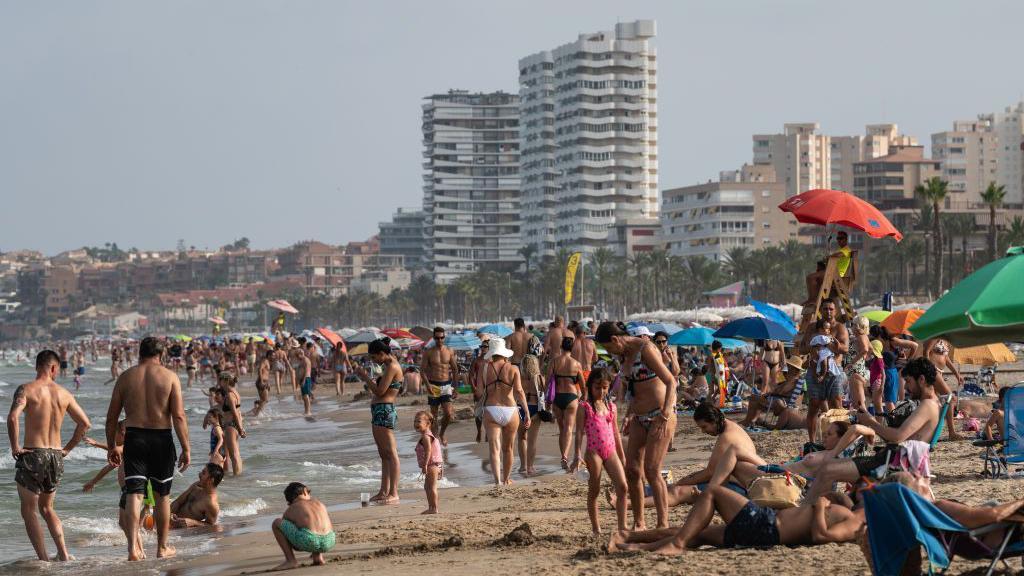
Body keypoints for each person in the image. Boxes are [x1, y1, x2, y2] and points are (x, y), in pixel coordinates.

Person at [804, 357, 942, 501]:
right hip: (892, 458)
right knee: (830, 470)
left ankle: (804, 514)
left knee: (827, 470)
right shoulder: (931, 404)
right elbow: (896, 438)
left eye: (908, 381)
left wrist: (870, 421)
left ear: (921, 379)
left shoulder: (928, 405)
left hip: (892, 463)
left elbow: (897, 437)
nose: (906, 387)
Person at [105, 336, 190, 560]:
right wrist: (186, 448)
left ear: (139, 354)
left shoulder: (125, 377)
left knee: (134, 494)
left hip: (134, 438)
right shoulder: (170, 377)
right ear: (160, 355)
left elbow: (112, 417)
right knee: (162, 496)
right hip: (161, 438)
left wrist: (112, 446)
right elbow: (179, 416)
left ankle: (133, 549)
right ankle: (162, 548)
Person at [608, 484, 863, 555]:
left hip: (766, 526)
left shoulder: (849, 518)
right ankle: (633, 542)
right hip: (764, 531)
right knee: (697, 532)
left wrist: (819, 507)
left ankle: (675, 544)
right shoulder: (846, 512)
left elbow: (821, 537)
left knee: (713, 492)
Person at [7, 349, 91, 562]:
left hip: (33, 454)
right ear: (54, 368)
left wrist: (16, 447)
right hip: (55, 456)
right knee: (47, 508)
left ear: (37, 366)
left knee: (28, 510)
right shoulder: (64, 393)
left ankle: (44, 559)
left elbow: (13, 418)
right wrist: (68, 449)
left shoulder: (26, 389)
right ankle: (63, 554)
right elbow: (85, 423)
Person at [595, 321, 677, 530]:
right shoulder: (623, 355)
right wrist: (629, 415)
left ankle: (662, 523)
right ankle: (639, 522)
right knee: (632, 470)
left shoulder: (646, 349)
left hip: (660, 415)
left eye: (609, 348)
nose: (610, 352)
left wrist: (665, 414)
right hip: (639, 417)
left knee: (652, 470)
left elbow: (670, 382)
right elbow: (635, 389)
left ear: (615, 339)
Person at [569, 368, 628, 534]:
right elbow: (579, 432)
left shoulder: (611, 406)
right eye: (597, 387)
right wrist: (577, 454)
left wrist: (622, 456)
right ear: (590, 386)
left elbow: (616, 432)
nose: (601, 391)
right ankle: (596, 528)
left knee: (622, 487)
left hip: (611, 451)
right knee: (594, 489)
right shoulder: (585, 407)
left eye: (604, 387)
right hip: (593, 452)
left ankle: (622, 526)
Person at [354, 338, 402, 504]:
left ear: (382, 353)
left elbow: (381, 392)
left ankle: (394, 492)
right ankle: (384, 491)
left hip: (385, 410)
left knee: (391, 453)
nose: (374, 361)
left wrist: (364, 377)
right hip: (379, 410)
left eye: (374, 357)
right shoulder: (388, 366)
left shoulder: (393, 366)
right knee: (383, 454)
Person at [478, 337, 531, 485]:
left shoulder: (485, 367)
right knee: (508, 448)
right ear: (504, 352)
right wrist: (526, 413)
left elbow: (480, 391)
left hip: (491, 409)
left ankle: (497, 481)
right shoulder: (513, 368)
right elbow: (519, 392)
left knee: (494, 448)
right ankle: (506, 479)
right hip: (510, 410)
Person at [801, 299, 849, 443]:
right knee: (814, 405)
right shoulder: (812, 328)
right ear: (821, 310)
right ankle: (812, 442)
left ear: (835, 311)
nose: (828, 311)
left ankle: (841, 440)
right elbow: (802, 348)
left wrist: (833, 344)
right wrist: (815, 345)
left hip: (834, 371)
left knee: (836, 404)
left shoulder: (840, 328)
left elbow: (846, 349)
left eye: (831, 309)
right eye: (825, 309)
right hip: (814, 369)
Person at [271, 482, 335, 570]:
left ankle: (291, 560)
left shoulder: (291, 508)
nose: (310, 496)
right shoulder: (319, 504)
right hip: (329, 540)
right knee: (315, 524)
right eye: (309, 493)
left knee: (276, 523)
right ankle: (318, 558)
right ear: (305, 491)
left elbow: (286, 529)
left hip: (309, 540)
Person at [420, 327, 460, 445]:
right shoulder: (429, 352)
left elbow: (455, 369)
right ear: (434, 338)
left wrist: (456, 388)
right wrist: (427, 385)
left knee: (448, 413)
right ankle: (435, 438)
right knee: (434, 415)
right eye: (437, 338)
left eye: (442, 337)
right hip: (434, 386)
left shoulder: (449, 351)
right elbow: (422, 371)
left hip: (446, 385)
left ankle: (442, 433)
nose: (439, 340)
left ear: (444, 337)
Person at [740, 355, 804, 428]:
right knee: (755, 400)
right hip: (775, 397)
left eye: (790, 366)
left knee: (754, 398)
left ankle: (748, 421)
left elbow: (781, 391)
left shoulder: (795, 380)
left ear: (795, 369)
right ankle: (751, 420)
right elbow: (775, 387)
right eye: (789, 365)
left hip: (782, 402)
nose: (788, 367)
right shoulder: (784, 374)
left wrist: (777, 388)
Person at [550, 335, 583, 469]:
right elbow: (583, 384)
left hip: (557, 397)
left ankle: (563, 455)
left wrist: (547, 401)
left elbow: (548, 382)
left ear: (561, 347)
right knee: (569, 429)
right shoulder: (576, 364)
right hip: (571, 397)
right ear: (572, 348)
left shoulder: (554, 362)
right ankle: (565, 456)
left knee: (561, 428)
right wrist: (585, 397)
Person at [924, 337, 965, 441]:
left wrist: (957, 374)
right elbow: (926, 352)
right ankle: (952, 432)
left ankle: (930, 432)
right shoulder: (934, 335)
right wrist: (930, 370)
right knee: (950, 398)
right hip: (933, 371)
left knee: (935, 402)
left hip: (939, 372)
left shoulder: (944, 339)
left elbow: (946, 358)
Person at [170, 463, 224, 528]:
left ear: (211, 480)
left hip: (179, 532)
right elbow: (178, 501)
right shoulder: (196, 485)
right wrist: (169, 513)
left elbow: (211, 526)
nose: (199, 474)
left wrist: (192, 522)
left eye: (203, 473)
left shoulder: (211, 503)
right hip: (170, 520)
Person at [517, 354, 545, 476]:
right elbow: (544, 395)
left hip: (521, 408)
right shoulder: (540, 378)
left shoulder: (519, 377)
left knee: (522, 437)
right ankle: (530, 466)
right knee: (532, 441)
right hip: (535, 409)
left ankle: (523, 465)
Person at [413, 411, 443, 514]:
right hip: (434, 465)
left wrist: (425, 465)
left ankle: (434, 508)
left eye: (419, 421)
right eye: (415, 421)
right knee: (427, 487)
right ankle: (431, 507)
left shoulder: (426, 437)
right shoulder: (428, 435)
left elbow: (429, 451)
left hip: (431, 465)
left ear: (428, 423)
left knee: (431, 487)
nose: (416, 423)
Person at [218, 373, 247, 475]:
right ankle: (238, 475)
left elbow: (235, 413)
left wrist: (240, 429)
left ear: (225, 381)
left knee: (233, 455)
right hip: (234, 425)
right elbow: (238, 413)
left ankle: (237, 477)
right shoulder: (235, 393)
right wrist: (240, 428)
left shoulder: (230, 395)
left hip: (231, 425)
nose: (219, 383)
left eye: (220, 380)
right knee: (236, 454)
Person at [847, 316, 872, 412]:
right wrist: (864, 358)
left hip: (855, 371)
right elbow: (870, 349)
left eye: (852, 324)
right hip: (858, 370)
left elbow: (865, 349)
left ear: (857, 326)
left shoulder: (861, 337)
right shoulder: (864, 337)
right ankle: (864, 422)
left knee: (858, 404)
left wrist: (852, 362)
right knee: (859, 403)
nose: (851, 327)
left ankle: (864, 423)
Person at [469, 339, 491, 443]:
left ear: (489, 348)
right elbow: (471, 375)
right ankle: (479, 431)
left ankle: (488, 433)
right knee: (478, 413)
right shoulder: (476, 360)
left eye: (485, 347)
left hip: (490, 390)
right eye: (482, 347)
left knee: (489, 412)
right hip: (479, 389)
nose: (483, 348)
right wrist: (474, 388)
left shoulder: (491, 360)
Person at [251, 350, 272, 417]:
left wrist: (268, 382)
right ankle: (257, 415)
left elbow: (266, 373)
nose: (274, 356)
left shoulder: (268, 361)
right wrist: (262, 381)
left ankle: (257, 408)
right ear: (269, 355)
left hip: (264, 381)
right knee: (265, 400)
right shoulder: (265, 361)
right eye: (273, 355)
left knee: (263, 400)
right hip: (261, 382)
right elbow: (260, 369)